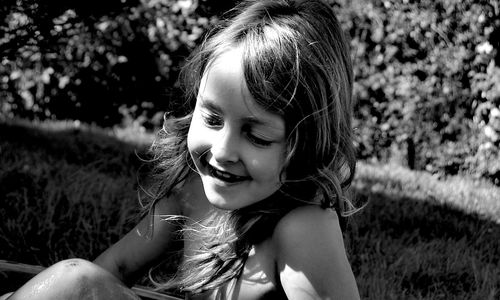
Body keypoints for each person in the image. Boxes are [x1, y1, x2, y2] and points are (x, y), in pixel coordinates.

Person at [4, 0, 361, 299]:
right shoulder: (193, 192)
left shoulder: (303, 227)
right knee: (75, 280)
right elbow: (116, 268)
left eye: (257, 137)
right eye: (212, 119)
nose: (222, 151)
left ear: (309, 144)